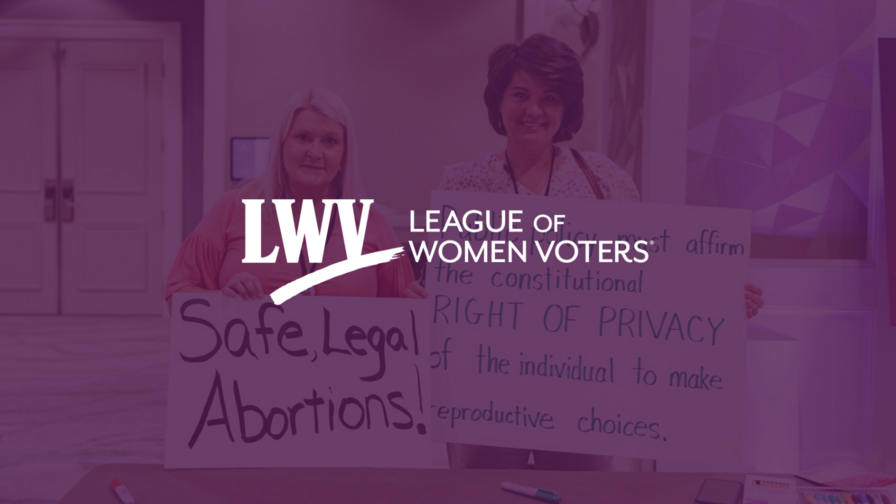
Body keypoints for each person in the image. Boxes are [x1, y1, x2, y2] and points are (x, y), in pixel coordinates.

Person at [439, 34, 763, 470]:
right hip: (488, 393)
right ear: (498, 101)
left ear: (566, 108)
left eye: (549, 98)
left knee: (580, 494)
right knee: (482, 494)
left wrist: (719, 298)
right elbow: (446, 293)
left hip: (583, 395)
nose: (533, 110)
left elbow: (653, 277)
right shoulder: (463, 187)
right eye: (520, 94)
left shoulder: (604, 181)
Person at [166, 87, 426, 304]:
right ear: (282, 144)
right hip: (251, 364)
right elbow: (176, 295)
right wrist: (222, 299)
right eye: (303, 137)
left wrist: (418, 302)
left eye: (330, 141)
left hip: (346, 365)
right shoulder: (233, 208)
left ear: (344, 154)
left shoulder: (372, 223)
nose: (315, 152)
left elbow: (403, 311)